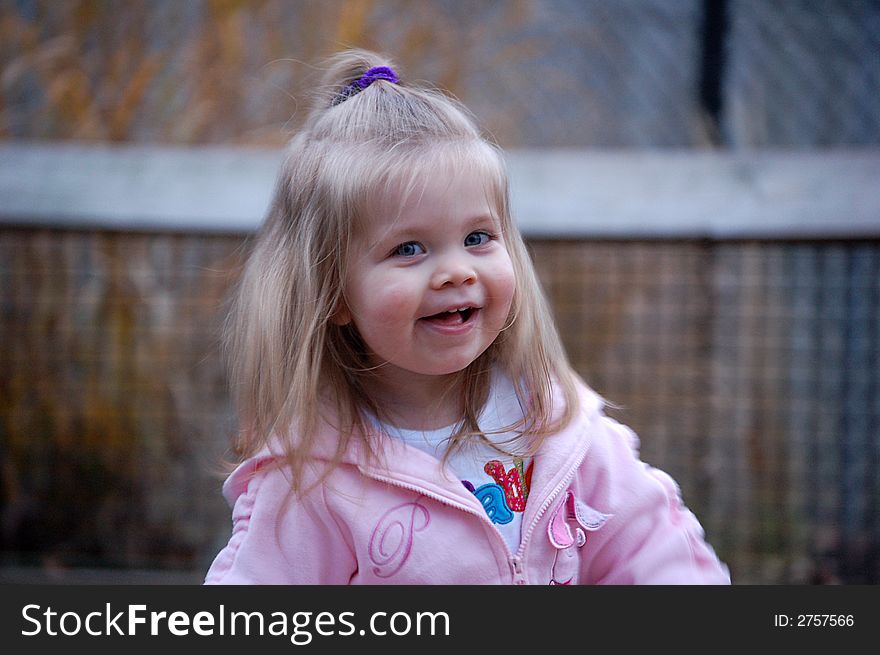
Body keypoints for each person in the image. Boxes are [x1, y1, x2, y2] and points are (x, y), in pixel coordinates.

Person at [204, 49, 730, 585]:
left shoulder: (557, 428)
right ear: (333, 292)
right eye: (408, 249)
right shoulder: (311, 482)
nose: (456, 271)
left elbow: (657, 553)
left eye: (477, 238)